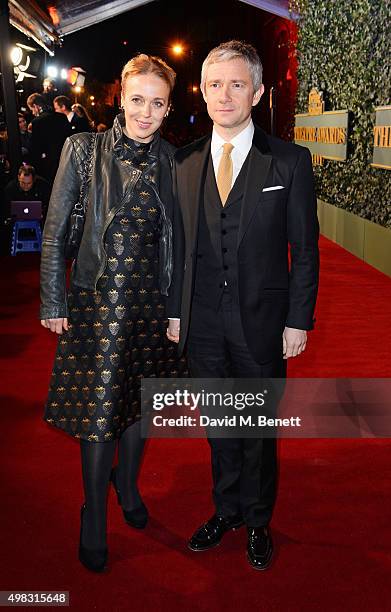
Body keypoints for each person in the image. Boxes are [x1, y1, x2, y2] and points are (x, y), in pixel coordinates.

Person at [167, 40, 319, 570]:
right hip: (202, 323)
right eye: (214, 84)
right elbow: (175, 250)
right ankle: (225, 510)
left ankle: (257, 520)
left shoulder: (290, 161)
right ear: (202, 91)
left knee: (256, 429)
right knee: (219, 425)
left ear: (256, 92)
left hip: (263, 321)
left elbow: (304, 249)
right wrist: (174, 313)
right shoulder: (183, 163)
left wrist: (299, 319)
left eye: (236, 84)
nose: (224, 94)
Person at [40, 54, 186, 573]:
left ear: (168, 109)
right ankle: (94, 515)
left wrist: (176, 310)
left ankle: (127, 488)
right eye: (138, 99)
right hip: (98, 303)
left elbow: (180, 244)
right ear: (120, 97)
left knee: (138, 404)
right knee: (99, 410)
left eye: (158, 103)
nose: (146, 112)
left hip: (150, 304)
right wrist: (53, 300)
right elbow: (56, 230)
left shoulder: (175, 161)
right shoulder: (82, 150)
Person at [27, 93, 71, 183]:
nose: (32, 112)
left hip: (47, 168)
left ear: (36, 106)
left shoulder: (36, 122)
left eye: (31, 109)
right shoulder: (62, 117)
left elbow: (36, 149)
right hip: (65, 162)